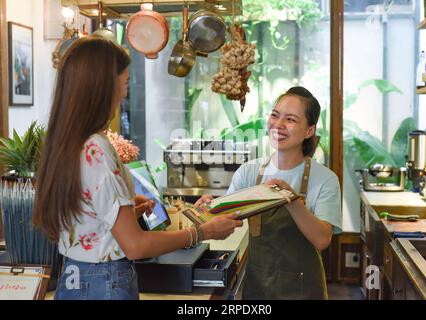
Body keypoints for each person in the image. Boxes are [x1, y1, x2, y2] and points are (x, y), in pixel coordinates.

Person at [33, 37, 242, 300]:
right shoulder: (96, 148)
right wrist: (202, 231)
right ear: (103, 87)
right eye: (123, 83)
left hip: (74, 279)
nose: (124, 93)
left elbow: (87, 217)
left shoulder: (68, 142)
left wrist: (126, 210)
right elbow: (135, 246)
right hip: (104, 284)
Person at [195, 86, 342, 299]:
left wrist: (291, 199)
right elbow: (225, 221)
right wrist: (207, 210)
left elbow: (322, 239)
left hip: (303, 290)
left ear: (309, 130)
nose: (278, 125)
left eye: (290, 120)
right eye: (275, 115)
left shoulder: (325, 179)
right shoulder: (249, 172)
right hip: (258, 288)